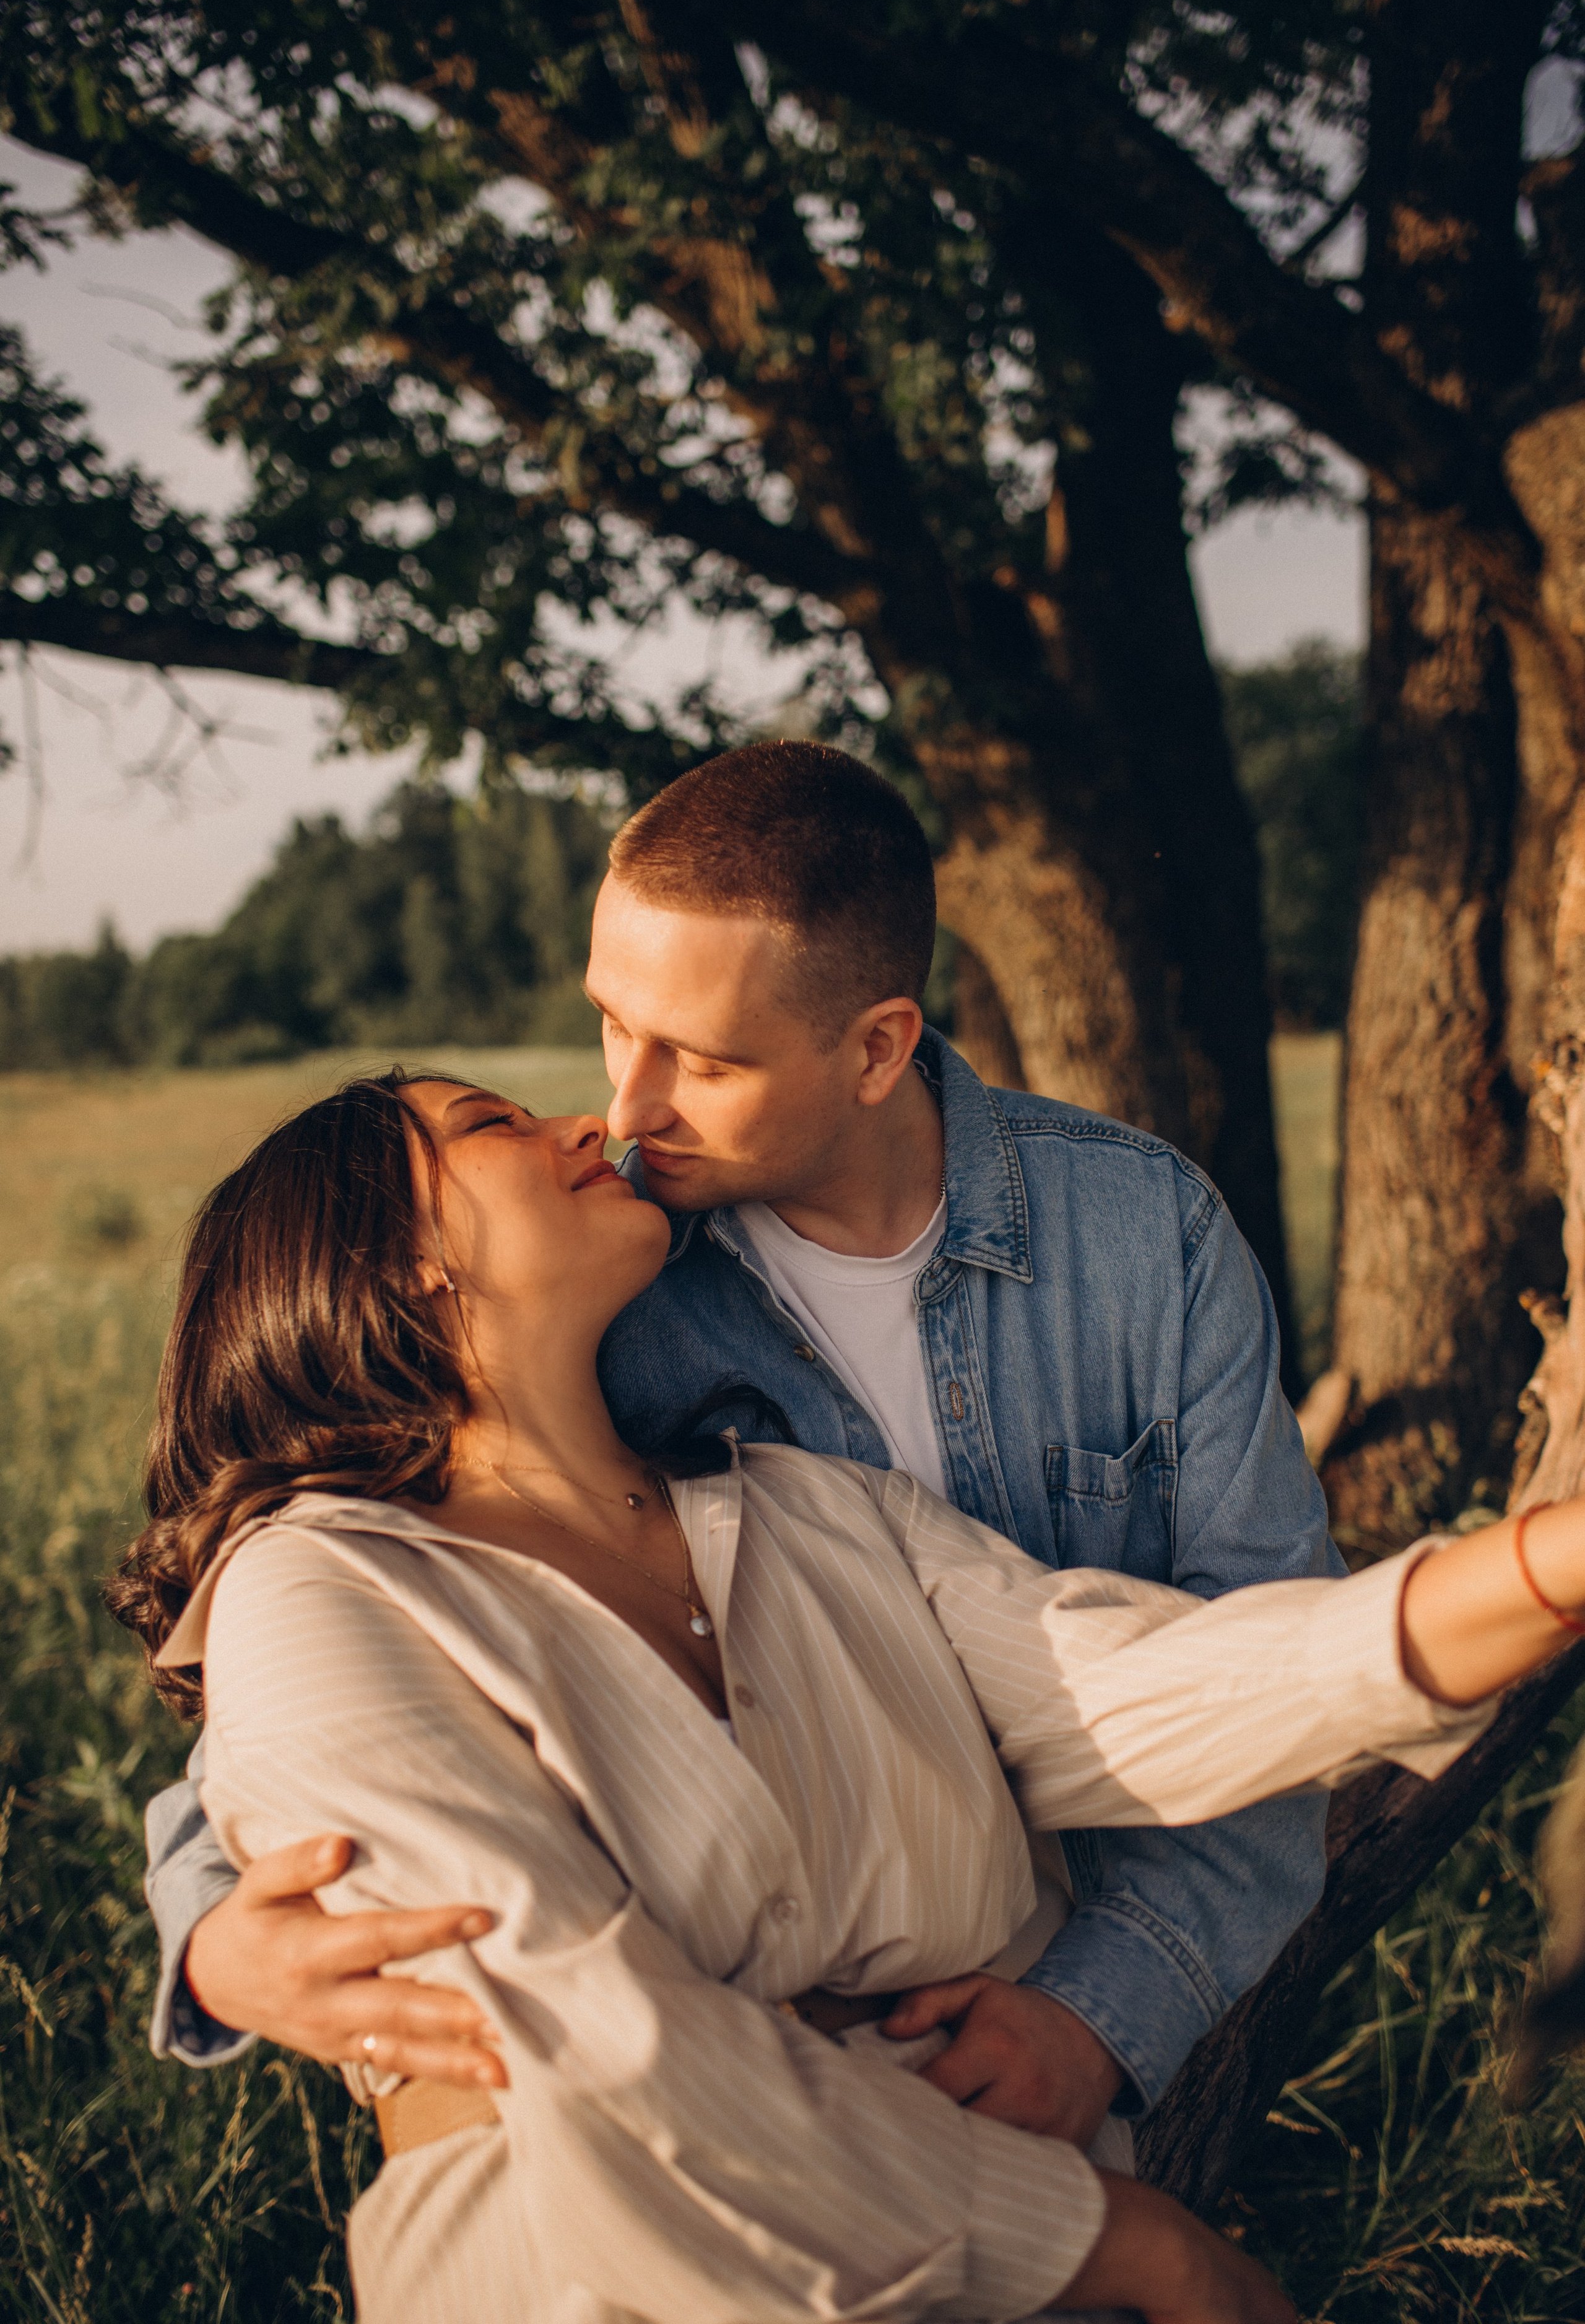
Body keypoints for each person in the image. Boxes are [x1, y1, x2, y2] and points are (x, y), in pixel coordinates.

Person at [110, 1066, 1571, 2324]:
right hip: (619, 2276)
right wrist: (1123, 2243)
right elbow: (597, 2038)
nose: (583, 1119)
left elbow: (1148, 1687)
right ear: (393, 1260)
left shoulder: (814, 1512)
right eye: (487, 1123)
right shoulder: (317, 1590)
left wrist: (1546, 1565)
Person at [144, 741, 1336, 2144]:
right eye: (609, 1025)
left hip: (1135, 2023)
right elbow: (337, 1656)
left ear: (878, 1046)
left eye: (701, 1061)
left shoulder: (1144, 1238)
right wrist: (215, 1929)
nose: (625, 1112)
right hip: (756, 2079)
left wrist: (1100, 2012)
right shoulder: (609, 1294)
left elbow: (1270, 1658)